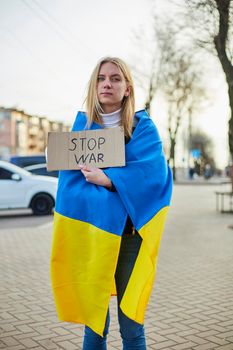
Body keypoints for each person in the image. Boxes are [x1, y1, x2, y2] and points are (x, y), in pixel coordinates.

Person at [50, 57, 173, 350]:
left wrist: (108, 181)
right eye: (101, 78)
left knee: (131, 326)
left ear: (127, 88)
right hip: (91, 236)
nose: (107, 83)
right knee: (94, 327)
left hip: (129, 238)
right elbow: (70, 188)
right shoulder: (81, 130)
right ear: (94, 86)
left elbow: (153, 175)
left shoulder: (143, 129)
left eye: (116, 78)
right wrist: (108, 185)